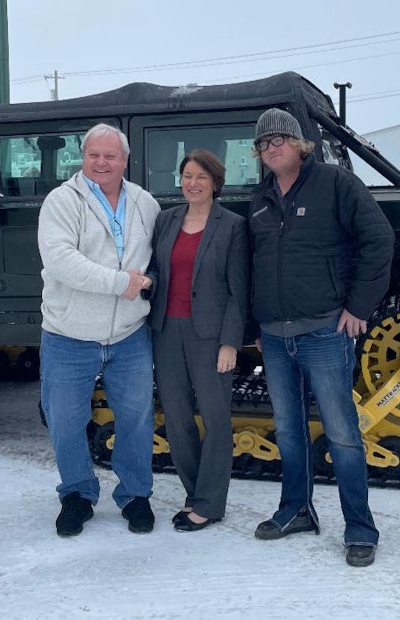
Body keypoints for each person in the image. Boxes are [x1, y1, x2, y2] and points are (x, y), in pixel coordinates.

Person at [247, 108, 394, 567]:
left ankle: (359, 528)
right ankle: (297, 510)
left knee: (342, 434)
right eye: (264, 143)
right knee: (288, 431)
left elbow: (379, 239)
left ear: (300, 144)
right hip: (274, 337)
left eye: (279, 140)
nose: (272, 148)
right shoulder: (260, 198)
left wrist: (358, 306)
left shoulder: (335, 184)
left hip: (325, 332)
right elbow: (253, 264)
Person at [37, 123, 161, 537]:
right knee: (66, 420)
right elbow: (60, 261)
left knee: (137, 418)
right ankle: (77, 494)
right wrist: (119, 283)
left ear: (125, 160)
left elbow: (156, 259)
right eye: (94, 155)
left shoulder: (144, 203)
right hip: (68, 334)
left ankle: (135, 495)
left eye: (111, 156)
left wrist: (149, 284)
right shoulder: (61, 201)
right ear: (83, 157)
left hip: (129, 334)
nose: (102, 163)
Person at [146, 149, 249, 533]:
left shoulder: (232, 226)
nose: (192, 183)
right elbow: (157, 267)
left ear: (215, 183)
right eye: (187, 175)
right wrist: (148, 282)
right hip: (166, 332)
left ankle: (210, 504)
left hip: (210, 336)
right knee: (176, 419)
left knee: (216, 419)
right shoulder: (166, 220)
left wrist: (230, 343)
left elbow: (239, 291)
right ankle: (194, 494)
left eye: (201, 177)